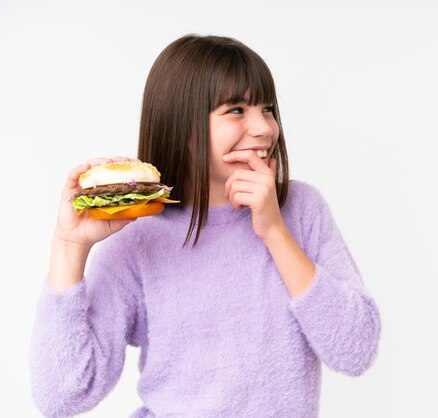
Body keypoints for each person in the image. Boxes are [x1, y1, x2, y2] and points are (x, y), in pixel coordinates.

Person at [30, 34, 381, 417]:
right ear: (182, 126)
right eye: (236, 110)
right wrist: (69, 247)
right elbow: (62, 396)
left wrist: (275, 232)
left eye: (266, 109)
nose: (264, 128)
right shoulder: (138, 235)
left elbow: (355, 350)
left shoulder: (301, 210)